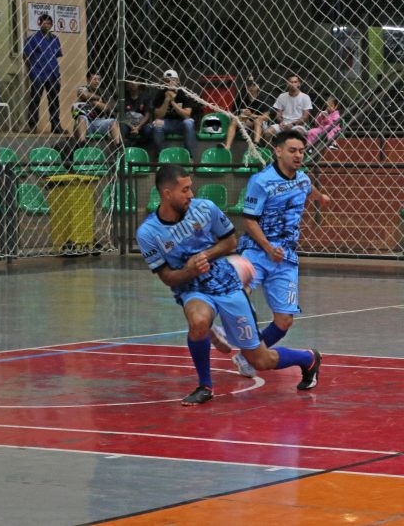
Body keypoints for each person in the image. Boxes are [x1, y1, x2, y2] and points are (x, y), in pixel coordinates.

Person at [135, 163, 323, 406]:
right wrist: (190, 270)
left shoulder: (205, 208)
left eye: (191, 187)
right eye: (185, 190)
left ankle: (308, 358)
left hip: (226, 284)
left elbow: (230, 243)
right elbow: (167, 277)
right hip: (192, 288)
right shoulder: (148, 233)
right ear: (167, 193)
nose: (191, 194)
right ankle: (205, 386)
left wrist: (206, 256)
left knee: (259, 360)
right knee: (198, 322)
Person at [218, 130, 331, 374]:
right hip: (257, 251)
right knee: (240, 291)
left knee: (284, 320)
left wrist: (320, 197)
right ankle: (225, 332)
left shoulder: (302, 179)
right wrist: (269, 248)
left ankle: (247, 357)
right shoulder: (261, 181)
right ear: (278, 151)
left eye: (301, 151)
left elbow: (308, 188)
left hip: (286, 258)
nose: (298, 155)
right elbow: (250, 220)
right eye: (292, 150)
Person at [23, 14, 64, 134]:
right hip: (38, 74)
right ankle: (32, 126)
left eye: (49, 23)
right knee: (35, 99)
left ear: (51, 25)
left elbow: (57, 55)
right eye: (44, 23)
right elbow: (25, 56)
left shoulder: (55, 39)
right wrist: (32, 69)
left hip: (53, 74)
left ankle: (56, 126)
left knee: (54, 101)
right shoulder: (33, 39)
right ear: (40, 24)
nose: (47, 25)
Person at [153, 69, 199, 160]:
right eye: (167, 81)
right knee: (157, 123)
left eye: (172, 80)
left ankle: (189, 156)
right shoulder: (160, 94)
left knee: (189, 123)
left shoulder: (184, 93)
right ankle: (161, 156)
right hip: (166, 122)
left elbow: (186, 115)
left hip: (181, 122)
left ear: (177, 81)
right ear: (163, 82)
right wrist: (167, 99)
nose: (170, 83)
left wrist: (172, 101)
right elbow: (158, 116)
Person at [72, 71, 122, 145]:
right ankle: (82, 144)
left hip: (99, 122)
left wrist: (96, 103)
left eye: (99, 79)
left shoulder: (104, 92)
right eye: (94, 79)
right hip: (86, 121)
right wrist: (97, 98)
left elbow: (108, 108)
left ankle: (118, 146)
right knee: (81, 118)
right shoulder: (83, 88)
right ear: (88, 80)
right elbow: (83, 94)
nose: (97, 81)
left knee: (114, 122)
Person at [221, 77, 270, 150]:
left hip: (260, 121)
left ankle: (256, 144)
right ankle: (227, 146)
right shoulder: (241, 97)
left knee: (257, 121)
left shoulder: (263, 98)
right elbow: (234, 112)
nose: (251, 87)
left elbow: (266, 117)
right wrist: (243, 117)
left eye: (253, 85)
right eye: (249, 85)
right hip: (246, 119)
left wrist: (251, 115)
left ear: (258, 86)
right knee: (235, 120)